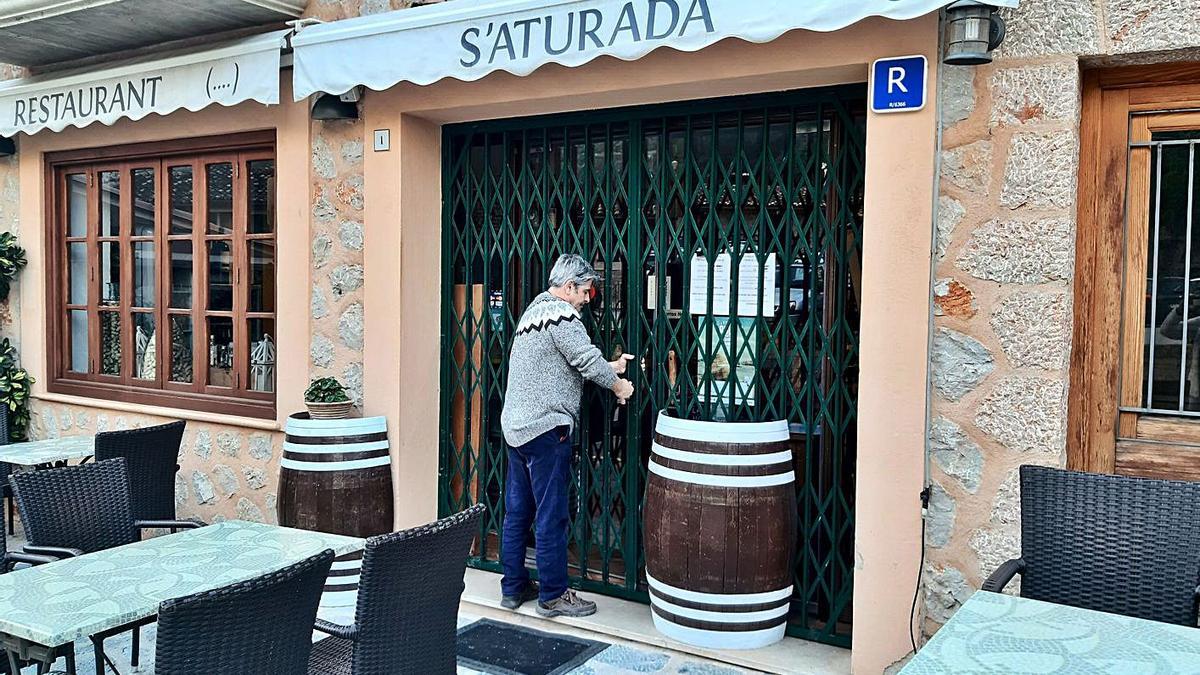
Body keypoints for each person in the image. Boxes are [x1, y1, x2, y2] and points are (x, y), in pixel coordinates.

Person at [499, 254, 635, 618]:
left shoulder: (533, 313)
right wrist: (619, 385)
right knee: (552, 514)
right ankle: (554, 595)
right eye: (587, 290)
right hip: (545, 429)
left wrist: (609, 365)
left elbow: (563, 361)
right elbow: (584, 360)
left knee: (518, 512)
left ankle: (512, 589)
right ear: (569, 286)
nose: (589, 298)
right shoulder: (563, 315)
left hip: (517, 429)